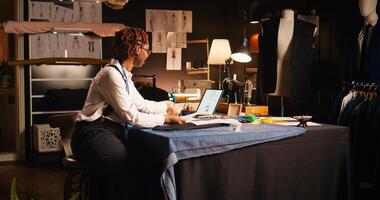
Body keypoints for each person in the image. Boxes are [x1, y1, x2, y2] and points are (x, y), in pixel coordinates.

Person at [71, 27, 183, 199]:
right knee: (119, 158)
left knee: (139, 155)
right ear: (137, 49)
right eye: (148, 49)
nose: (148, 53)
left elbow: (142, 105)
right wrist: (165, 118)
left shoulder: (124, 76)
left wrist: (167, 105)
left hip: (107, 131)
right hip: (90, 133)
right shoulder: (111, 74)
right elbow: (131, 117)